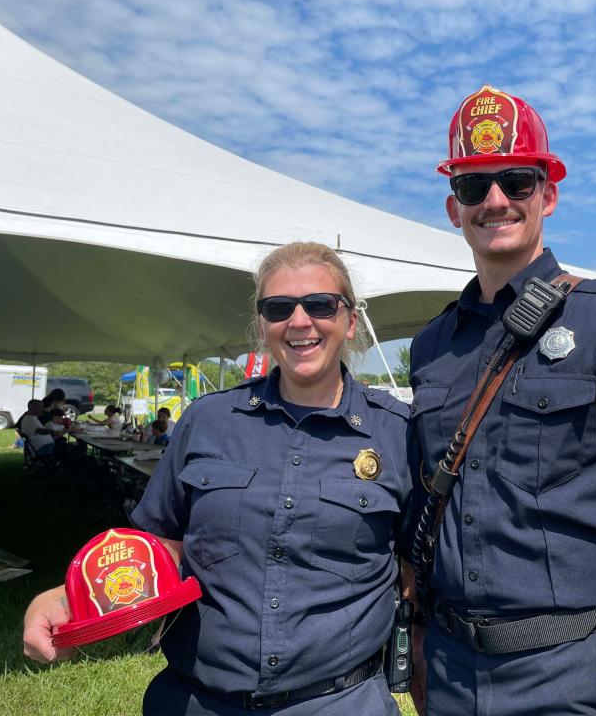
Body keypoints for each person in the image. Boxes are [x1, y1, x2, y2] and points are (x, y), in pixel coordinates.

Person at [405, 85, 596, 716]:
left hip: (569, 676)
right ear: (452, 207)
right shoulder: (431, 345)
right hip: (451, 672)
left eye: (516, 181)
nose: (495, 200)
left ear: (549, 193)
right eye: (473, 185)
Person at [23, 242, 413, 716]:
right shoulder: (206, 420)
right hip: (197, 701)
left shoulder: (397, 433)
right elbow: (156, 546)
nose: (299, 321)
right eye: (277, 308)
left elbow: (415, 575)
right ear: (262, 325)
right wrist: (69, 597)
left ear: (350, 321)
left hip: (341, 703)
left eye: (319, 304)